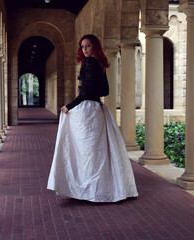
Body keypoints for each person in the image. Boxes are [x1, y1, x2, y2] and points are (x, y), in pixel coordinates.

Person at [47, 34, 138, 202]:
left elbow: (87, 93)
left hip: (88, 111)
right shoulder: (101, 65)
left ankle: (87, 189)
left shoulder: (89, 63)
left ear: (95, 46)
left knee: (85, 151)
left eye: (88, 45)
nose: (85, 49)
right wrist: (83, 89)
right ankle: (101, 189)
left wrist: (70, 105)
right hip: (97, 109)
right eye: (82, 46)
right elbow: (104, 91)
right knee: (97, 150)